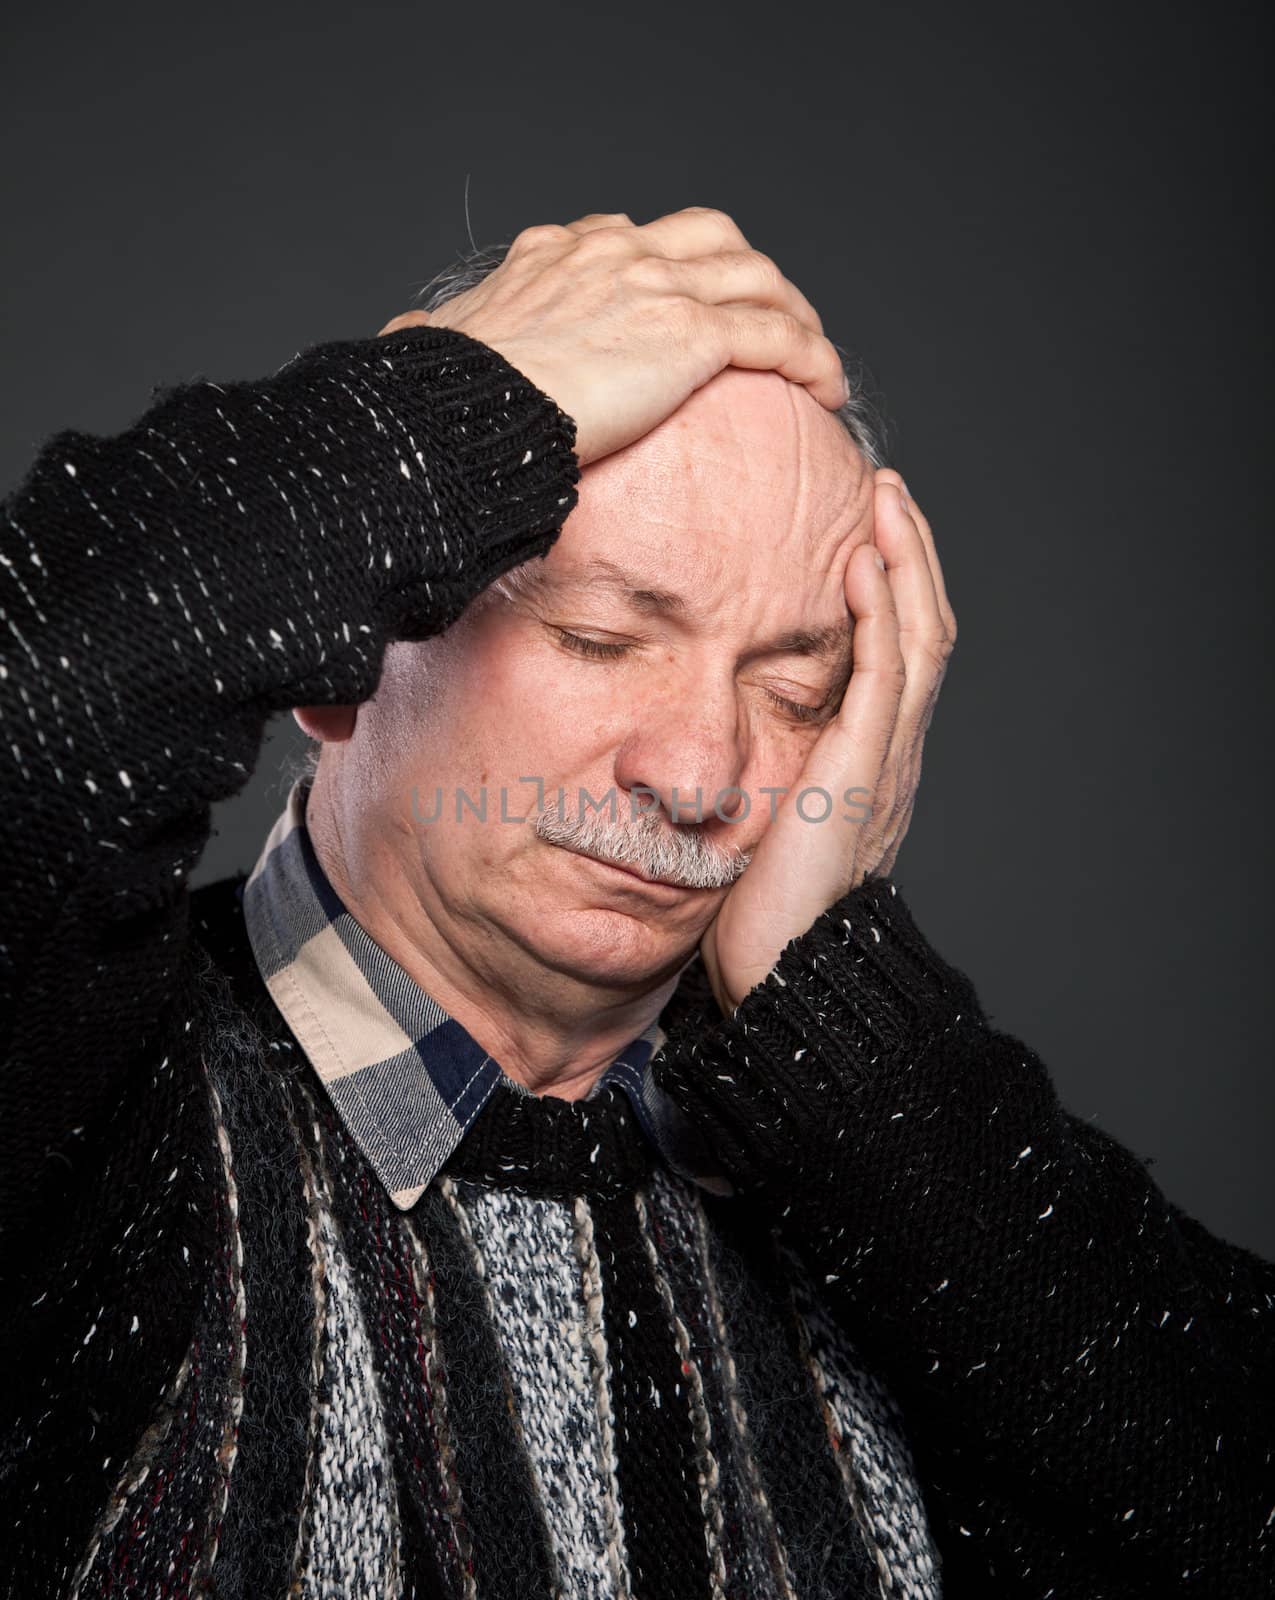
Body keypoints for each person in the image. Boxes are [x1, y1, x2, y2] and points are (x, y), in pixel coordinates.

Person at [0, 206, 1269, 1600]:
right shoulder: (105, 1118)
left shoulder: (885, 1188)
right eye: (603, 641)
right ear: (343, 650)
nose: (700, 773)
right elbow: (37, 712)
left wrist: (840, 1026)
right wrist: (405, 426)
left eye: (797, 691)